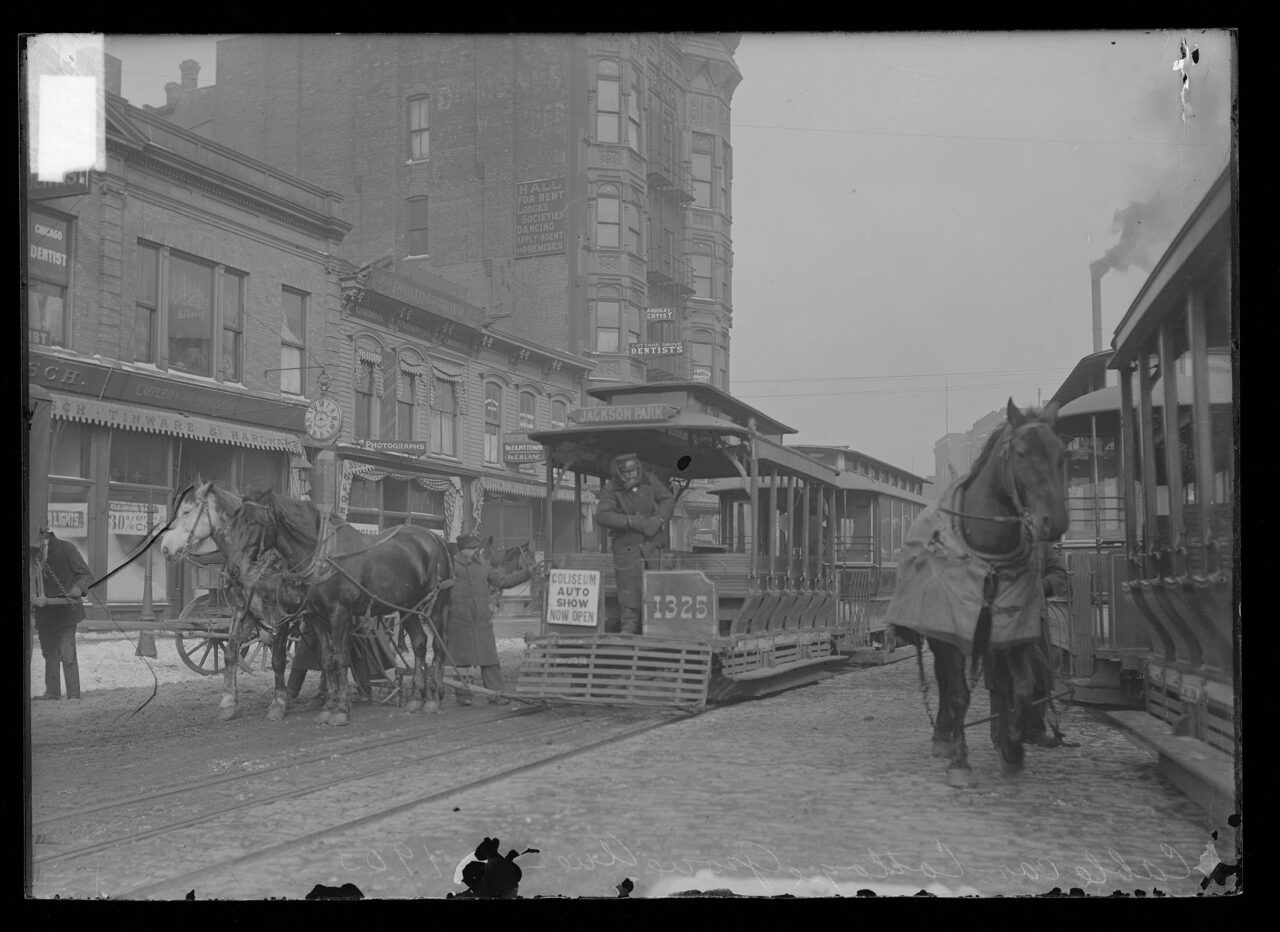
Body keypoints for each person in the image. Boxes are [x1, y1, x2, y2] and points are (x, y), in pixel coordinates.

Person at [446, 534, 537, 706]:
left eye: (476, 548)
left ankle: (496, 694)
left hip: (481, 622)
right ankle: (464, 696)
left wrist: (527, 573)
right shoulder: (450, 566)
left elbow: (504, 580)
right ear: (462, 549)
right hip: (459, 622)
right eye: (472, 549)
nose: (476, 552)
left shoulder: (483, 566)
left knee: (490, 660)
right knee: (461, 661)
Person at [593, 453, 676, 635]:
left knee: (656, 584)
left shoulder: (650, 480)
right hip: (626, 547)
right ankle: (629, 627)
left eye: (633, 470)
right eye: (626, 472)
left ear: (638, 468)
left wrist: (659, 519)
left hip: (651, 545)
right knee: (627, 588)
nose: (631, 475)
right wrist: (629, 521)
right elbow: (602, 516)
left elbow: (667, 499)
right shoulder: (611, 488)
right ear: (620, 473)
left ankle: (656, 626)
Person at [32, 531, 95, 700]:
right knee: (49, 653)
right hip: (44, 612)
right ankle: (52, 692)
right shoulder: (32, 553)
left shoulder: (67, 549)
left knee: (67, 653)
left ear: (47, 537)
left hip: (66, 612)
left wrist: (77, 589)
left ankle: (73, 694)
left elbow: (86, 575)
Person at [1025, 541, 1069, 747]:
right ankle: (1003, 733)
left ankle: (1034, 729)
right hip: (1001, 621)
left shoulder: (1039, 544)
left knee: (1039, 674)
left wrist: (1043, 585)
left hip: (1035, 619)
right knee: (1002, 679)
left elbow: (1059, 573)